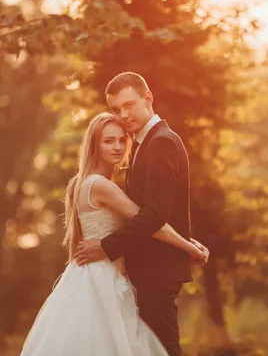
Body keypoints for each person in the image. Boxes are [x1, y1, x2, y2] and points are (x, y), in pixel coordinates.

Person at [20, 112, 205, 356]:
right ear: (94, 145)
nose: (117, 147)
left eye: (121, 140)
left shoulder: (84, 182)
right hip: (104, 279)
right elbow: (152, 224)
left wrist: (187, 240)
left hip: (96, 274)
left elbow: (143, 224)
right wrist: (189, 248)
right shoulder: (101, 186)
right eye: (109, 141)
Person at [75, 72, 210, 356]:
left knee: (163, 350)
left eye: (129, 105)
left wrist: (106, 246)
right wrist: (187, 241)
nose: (123, 115)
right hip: (145, 269)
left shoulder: (160, 142)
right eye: (115, 109)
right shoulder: (141, 145)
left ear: (147, 98)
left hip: (157, 269)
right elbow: (152, 210)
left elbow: (151, 216)